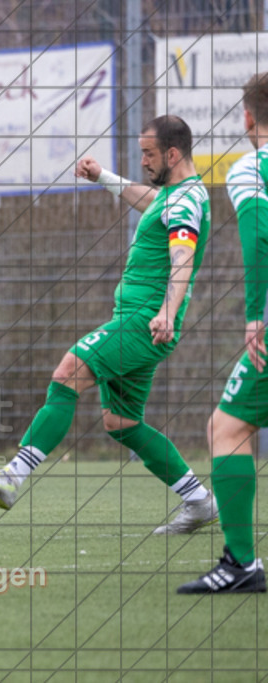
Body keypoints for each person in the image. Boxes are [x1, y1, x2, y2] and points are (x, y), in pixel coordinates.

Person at [0, 115, 219, 535]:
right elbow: (149, 202)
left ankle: (12, 477)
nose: (143, 161)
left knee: (67, 373)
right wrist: (104, 176)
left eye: (149, 154)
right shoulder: (174, 194)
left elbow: (183, 257)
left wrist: (167, 313)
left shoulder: (187, 200)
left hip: (144, 322)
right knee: (122, 423)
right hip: (137, 320)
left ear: (173, 154)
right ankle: (198, 500)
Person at [178, 74, 268, 593]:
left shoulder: (251, 166)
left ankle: (240, 566)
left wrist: (255, 313)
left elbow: (258, 233)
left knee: (227, 429)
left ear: (248, 119)